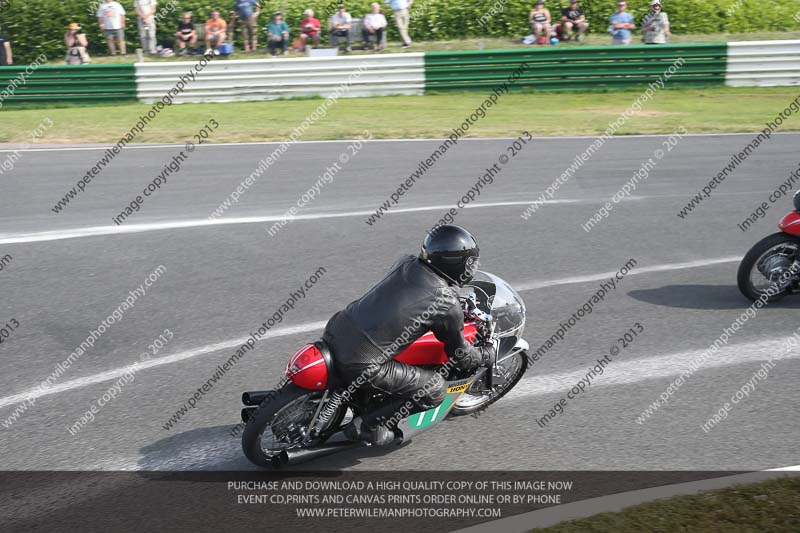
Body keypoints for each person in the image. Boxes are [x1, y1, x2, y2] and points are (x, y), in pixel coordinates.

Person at [323, 226, 496, 446]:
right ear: (456, 263)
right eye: (470, 262)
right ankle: (368, 426)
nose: (472, 266)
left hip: (338, 327)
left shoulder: (406, 263)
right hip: (362, 362)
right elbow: (460, 355)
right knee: (434, 388)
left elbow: (404, 297)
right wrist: (485, 355)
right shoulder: (447, 303)